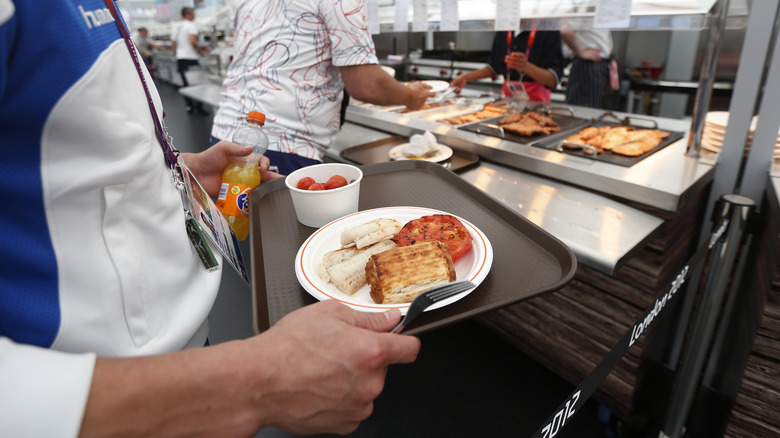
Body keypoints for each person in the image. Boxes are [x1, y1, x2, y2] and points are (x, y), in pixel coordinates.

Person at [0, 1, 421, 436]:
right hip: (117, 397)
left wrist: (174, 170)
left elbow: (67, 153)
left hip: (174, 365)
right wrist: (253, 383)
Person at [210, 0, 435, 176]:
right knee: (281, 234)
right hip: (281, 147)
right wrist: (410, 95)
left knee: (235, 231)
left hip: (226, 138)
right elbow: (366, 85)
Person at [451, 30, 565, 103]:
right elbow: (494, 67)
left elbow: (553, 79)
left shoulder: (548, 31)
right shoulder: (503, 30)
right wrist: (466, 77)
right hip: (507, 102)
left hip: (537, 105)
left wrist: (526, 66)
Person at [561, 29, 614, 108]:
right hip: (589, 65)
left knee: (588, 108)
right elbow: (566, 30)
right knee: (584, 109)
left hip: (594, 64)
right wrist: (580, 53)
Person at [172, 6, 209, 115]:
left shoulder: (177, 26)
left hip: (181, 59)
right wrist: (200, 51)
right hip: (191, 59)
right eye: (193, 13)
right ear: (187, 14)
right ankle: (199, 108)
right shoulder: (191, 25)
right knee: (197, 84)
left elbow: (173, 43)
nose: (194, 16)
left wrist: (176, 55)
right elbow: (193, 41)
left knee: (186, 84)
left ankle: (190, 107)